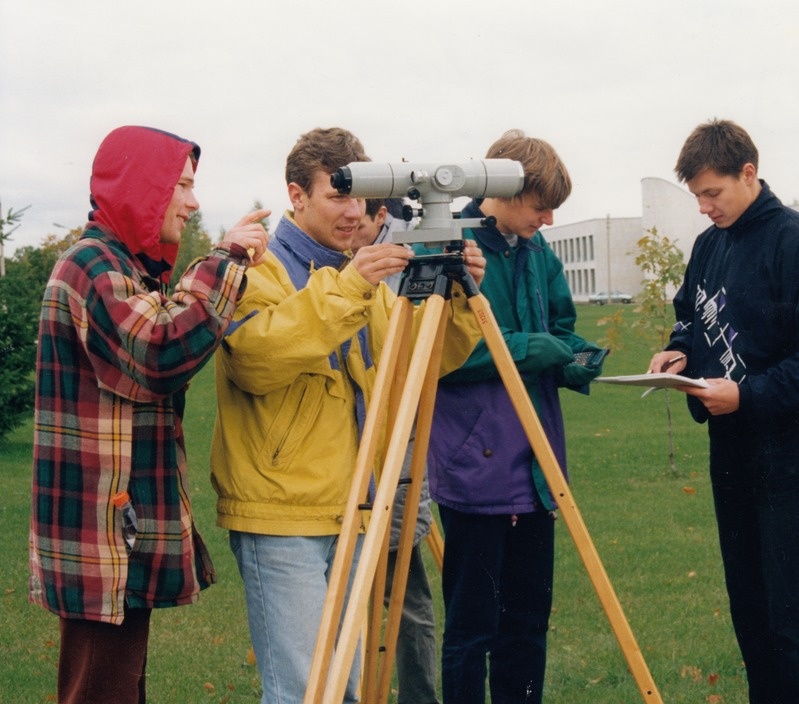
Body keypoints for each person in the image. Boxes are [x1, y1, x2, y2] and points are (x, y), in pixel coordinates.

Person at [209, 127, 485, 704]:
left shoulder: (364, 273)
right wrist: (349, 285)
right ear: (296, 195)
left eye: (360, 197)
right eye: (338, 195)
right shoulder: (257, 268)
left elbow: (414, 368)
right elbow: (256, 361)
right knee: (302, 693)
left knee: (348, 689)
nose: (353, 211)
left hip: (359, 510)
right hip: (283, 515)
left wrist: (457, 303)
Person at [28, 125, 270, 704]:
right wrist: (227, 257)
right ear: (141, 189)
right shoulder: (92, 266)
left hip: (117, 527)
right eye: (181, 186)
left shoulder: (125, 267)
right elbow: (158, 351)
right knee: (101, 690)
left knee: (117, 686)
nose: (193, 202)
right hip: (101, 532)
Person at [420, 129, 606, 704]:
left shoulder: (536, 252)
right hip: (475, 467)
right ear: (500, 190)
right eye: (538, 205)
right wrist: (530, 349)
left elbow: (561, 327)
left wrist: (576, 359)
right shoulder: (449, 244)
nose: (547, 219)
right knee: (474, 629)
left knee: (527, 625)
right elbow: (439, 355)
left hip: (536, 469)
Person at [648, 118, 799, 703]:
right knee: (750, 603)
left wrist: (750, 395)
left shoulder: (789, 240)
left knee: (789, 608)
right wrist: (678, 349)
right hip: (730, 448)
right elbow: (689, 315)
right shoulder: (709, 246)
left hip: (786, 451)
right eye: (697, 197)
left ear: (748, 173)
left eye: (713, 193)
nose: (705, 208)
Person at [354, 198, 440, 704]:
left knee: (408, 598)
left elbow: (428, 358)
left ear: (380, 216)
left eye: (357, 213)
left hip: (396, 462)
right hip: (346, 467)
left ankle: (418, 696)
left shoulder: (404, 260)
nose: (348, 224)